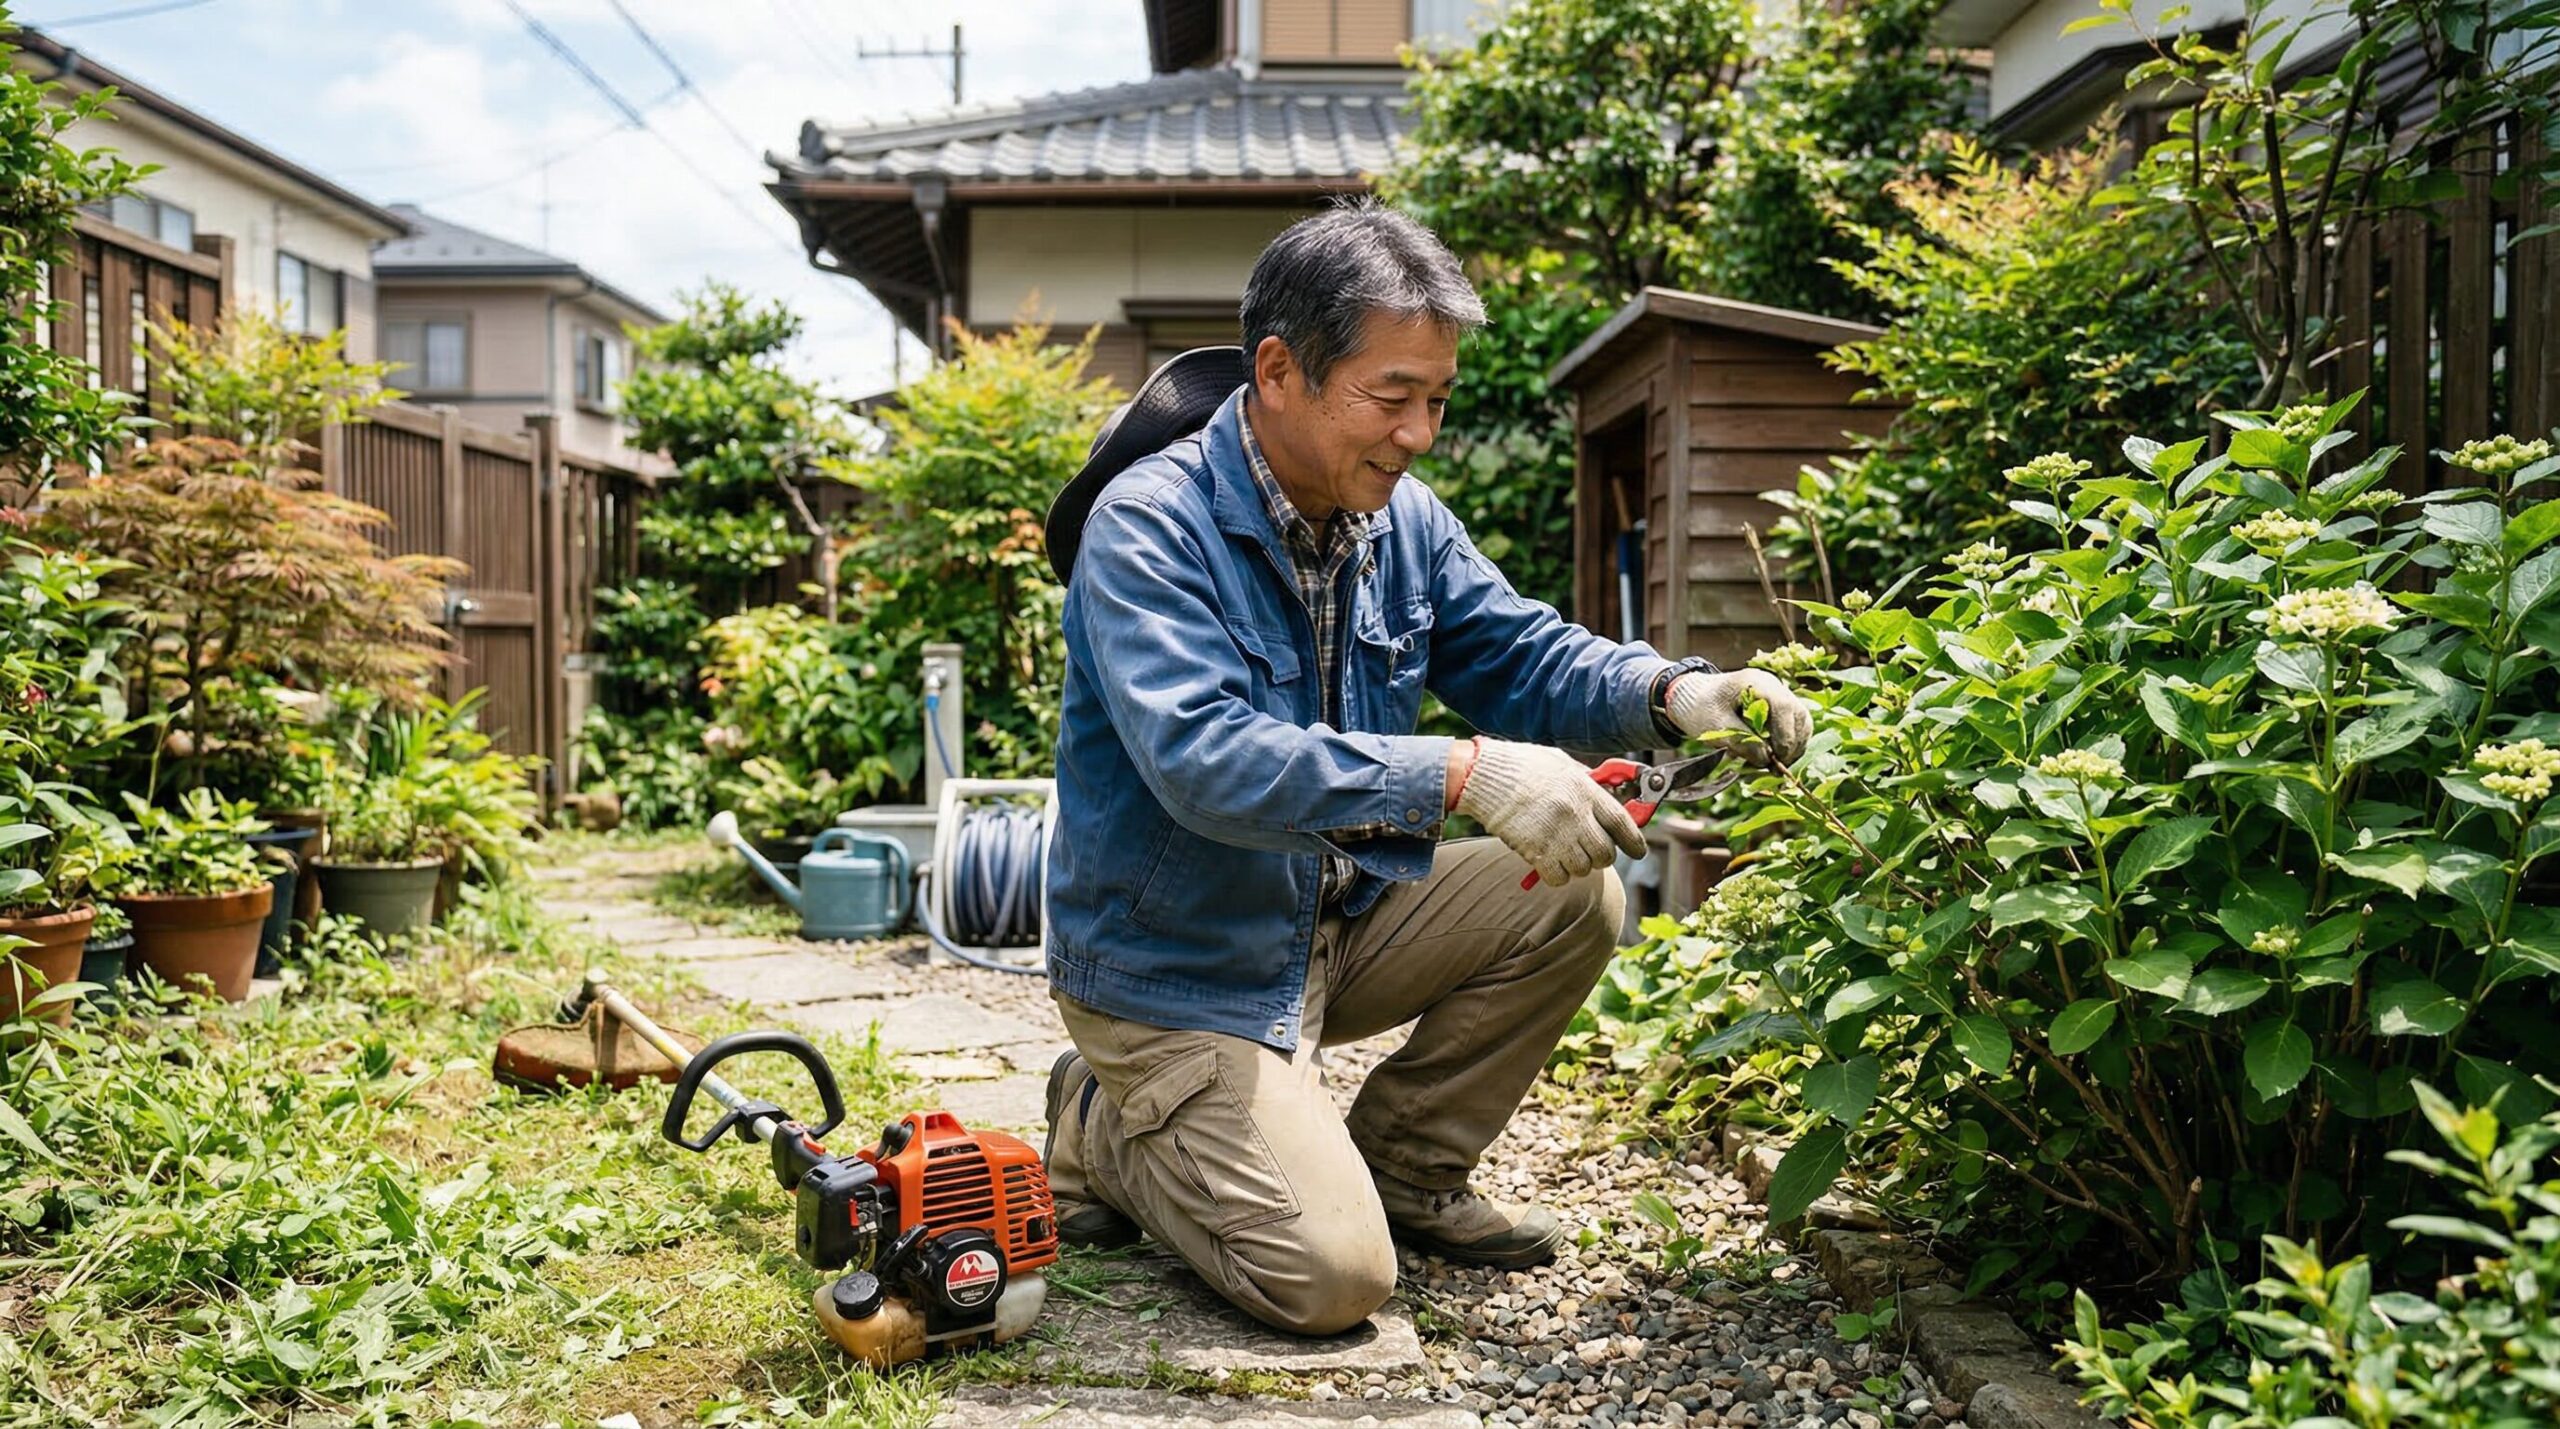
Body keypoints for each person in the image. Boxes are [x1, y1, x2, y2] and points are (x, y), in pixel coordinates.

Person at [1037, 201, 1812, 1337]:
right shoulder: (1149, 528)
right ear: (1278, 370)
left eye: (1435, 401)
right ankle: (1102, 1123)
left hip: (1336, 921)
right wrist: (1461, 773)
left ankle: (1403, 1171)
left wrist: (1674, 695)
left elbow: (1520, 651)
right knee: (1334, 1281)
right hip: (1179, 969)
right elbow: (1203, 761)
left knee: (1575, 890)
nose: (1417, 433)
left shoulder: (1401, 523)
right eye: (1390, 396)